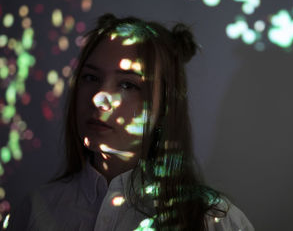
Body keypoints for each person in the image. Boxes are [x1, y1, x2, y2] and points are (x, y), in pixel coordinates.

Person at [7, 14, 254, 230]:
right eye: (90, 77)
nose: (98, 98)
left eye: (128, 84)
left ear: (165, 106)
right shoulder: (34, 212)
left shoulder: (213, 220)